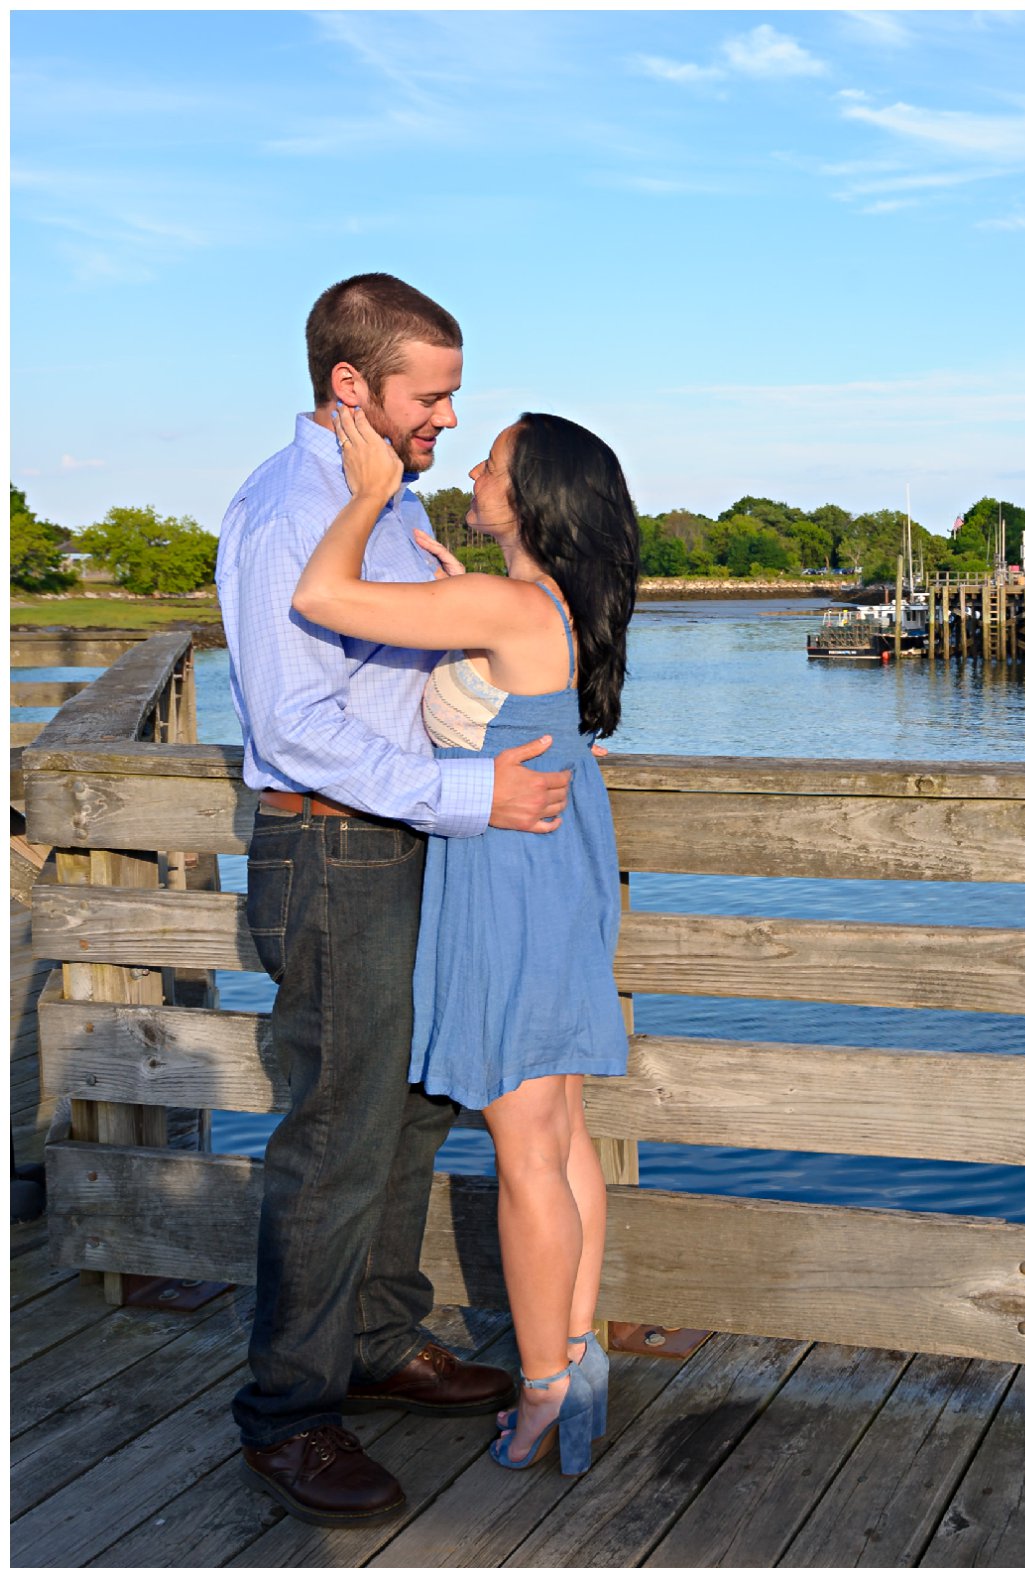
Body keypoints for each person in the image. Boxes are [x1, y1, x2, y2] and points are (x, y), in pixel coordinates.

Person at [218, 274, 577, 1526]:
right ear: (351, 386)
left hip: (409, 839)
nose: (443, 420)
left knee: (417, 1108)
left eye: (452, 397)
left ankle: (376, 1340)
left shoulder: (387, 504)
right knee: (332, 1131)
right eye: (430, 398)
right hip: (335, 849)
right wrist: (478, 796)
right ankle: (288, 1412)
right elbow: (297, 730)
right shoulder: (289, 515)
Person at [296, 402, 639, 1479]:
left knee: (526, 1143)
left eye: (492, 464)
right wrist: (456, 585)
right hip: (558, 871)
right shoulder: (549, 603)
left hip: (510, 879)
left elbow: (319, 596)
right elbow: (497, 663)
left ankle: (542, 1391)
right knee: (561, 1127)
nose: (473, 471)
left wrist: (363, 497)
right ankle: (574, 1359)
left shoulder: (503, 604)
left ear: (530, 497)